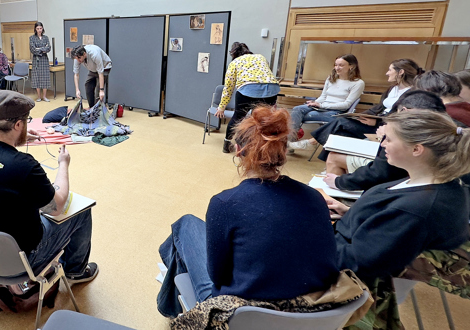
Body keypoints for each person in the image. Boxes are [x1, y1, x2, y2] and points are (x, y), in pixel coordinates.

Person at [156, 106, 339, 317]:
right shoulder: (315, 197)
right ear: (283, 151)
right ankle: (169, 303)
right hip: (313, 313)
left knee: (186, 225)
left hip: (240, 314)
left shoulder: (225, 204)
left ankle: (170, 308)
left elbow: (217, 276)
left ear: (238, 150)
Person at [0, 91, 98, 285]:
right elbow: (56, 207)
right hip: (20, 260)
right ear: (18, 125)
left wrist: (18, 139)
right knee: (81, 211)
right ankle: (75, 272)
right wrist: (63, 164)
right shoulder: (24, 166)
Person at [326, 110, 470, 283]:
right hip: (343, 241)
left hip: (335, 266)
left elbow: (357, 261)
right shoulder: (436, 182)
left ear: (416, 149)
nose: (383, 144)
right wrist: (350, 212)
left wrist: (305, 244)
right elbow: (389, 228)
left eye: (389, 139)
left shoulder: (415, 209)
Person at [298, 58, 422, 157]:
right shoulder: (392, 89)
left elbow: (401, 117)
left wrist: (377, 121)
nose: (387, 73)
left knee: (340, 122)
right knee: (341, 130)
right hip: (376, 120)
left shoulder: (413, 93)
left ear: (401, 72)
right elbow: (378, 108)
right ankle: (332, 162)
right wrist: (361, 116)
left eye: (390, 70)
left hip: (385, 127)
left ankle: (312, 143)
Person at [323, 90, 445, 190]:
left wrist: (339, 182)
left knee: (335, 152)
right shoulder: (442, 128)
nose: (384, 143)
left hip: (388, 180)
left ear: (404, 111)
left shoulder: (407, 132)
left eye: (389, 140)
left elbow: (381, 173)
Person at [288, 54, 365, 150]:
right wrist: (315, 102)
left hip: (335, 112)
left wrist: (321, 105)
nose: (337, 68)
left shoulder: (358, 83)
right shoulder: (331, 78)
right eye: (336, 65)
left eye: (341, 65)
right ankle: (289, 142)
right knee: (297, 109)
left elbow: (346, 105)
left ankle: (287, 145)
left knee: (300, 115)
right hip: (321, 107)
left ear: (351, 66)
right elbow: (323, 96)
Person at [214, 42, 280, 153]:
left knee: (238, 117)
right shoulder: (260, 57)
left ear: (234, 54)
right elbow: (266, 74)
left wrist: (222, 107)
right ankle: (261, 147)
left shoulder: (235, 62)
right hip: (271, 89)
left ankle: (227, 143)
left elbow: (228, 88)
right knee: (263, 120)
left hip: (248, 89)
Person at [72, 44, 112, 108]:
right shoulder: (77, 57)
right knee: (88, 85)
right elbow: (76, 74)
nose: (78, 60)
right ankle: (91, 107)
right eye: (76, 58)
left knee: (98, 91)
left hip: (104, 67)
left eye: (79, 58)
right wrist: (77, 90)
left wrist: (101, 90)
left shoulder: (94, 54)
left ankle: (98, 110)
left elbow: (100, 73)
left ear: (84, 54)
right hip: (93, 68)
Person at [30, 22, 52, 102]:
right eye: (37, 28)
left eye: (40, 28)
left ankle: (44, 96)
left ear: (42, 28)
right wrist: (42, 49)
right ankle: (39, 96)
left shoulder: (46, 38)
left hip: (44, 59)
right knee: (37, 77)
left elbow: (48, 48)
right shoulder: (32, 38)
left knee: (45, 77)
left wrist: (39, 49)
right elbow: (32, 49)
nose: (39, 30)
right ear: (35, 29)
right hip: (36, 60)